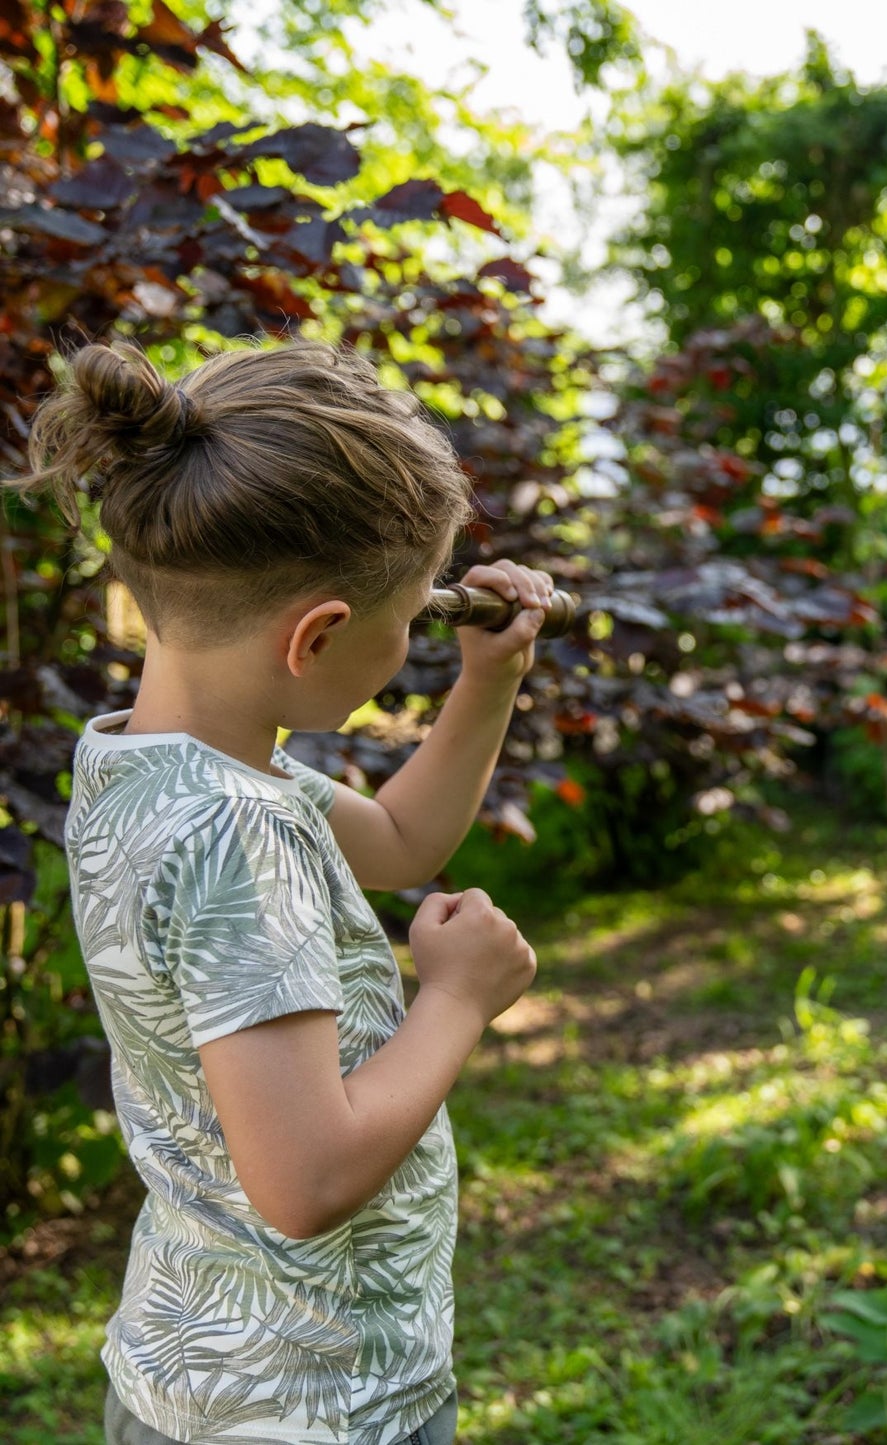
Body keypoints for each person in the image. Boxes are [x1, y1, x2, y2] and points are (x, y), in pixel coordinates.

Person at [12, 338, 547, 1445]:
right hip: (310, 1406)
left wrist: (485, 677)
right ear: (318, 635)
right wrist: (456, 995)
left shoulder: (148, 758)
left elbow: (397, 839)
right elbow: (304, 1178)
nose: (417, 640)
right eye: (412, 622)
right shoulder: (233, 834)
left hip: (198, 1367)